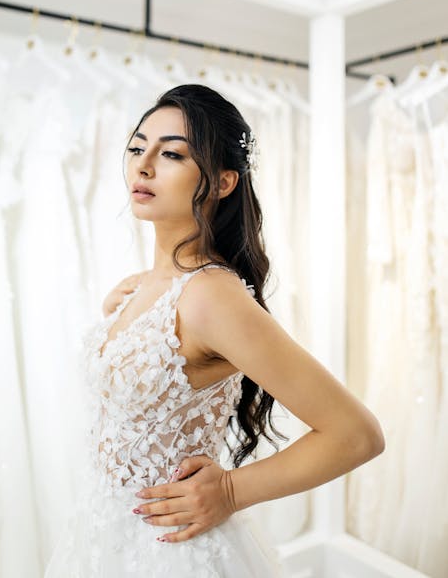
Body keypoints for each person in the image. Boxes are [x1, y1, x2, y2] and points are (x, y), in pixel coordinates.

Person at [44, 83, 385, 577]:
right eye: (137, 147)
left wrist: (229, 490)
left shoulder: (210, 295)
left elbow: (357, 434)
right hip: (102, 538)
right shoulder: (145, 287)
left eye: (172, 154)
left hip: (168, 550)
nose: (143, 165)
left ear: (223, 182)